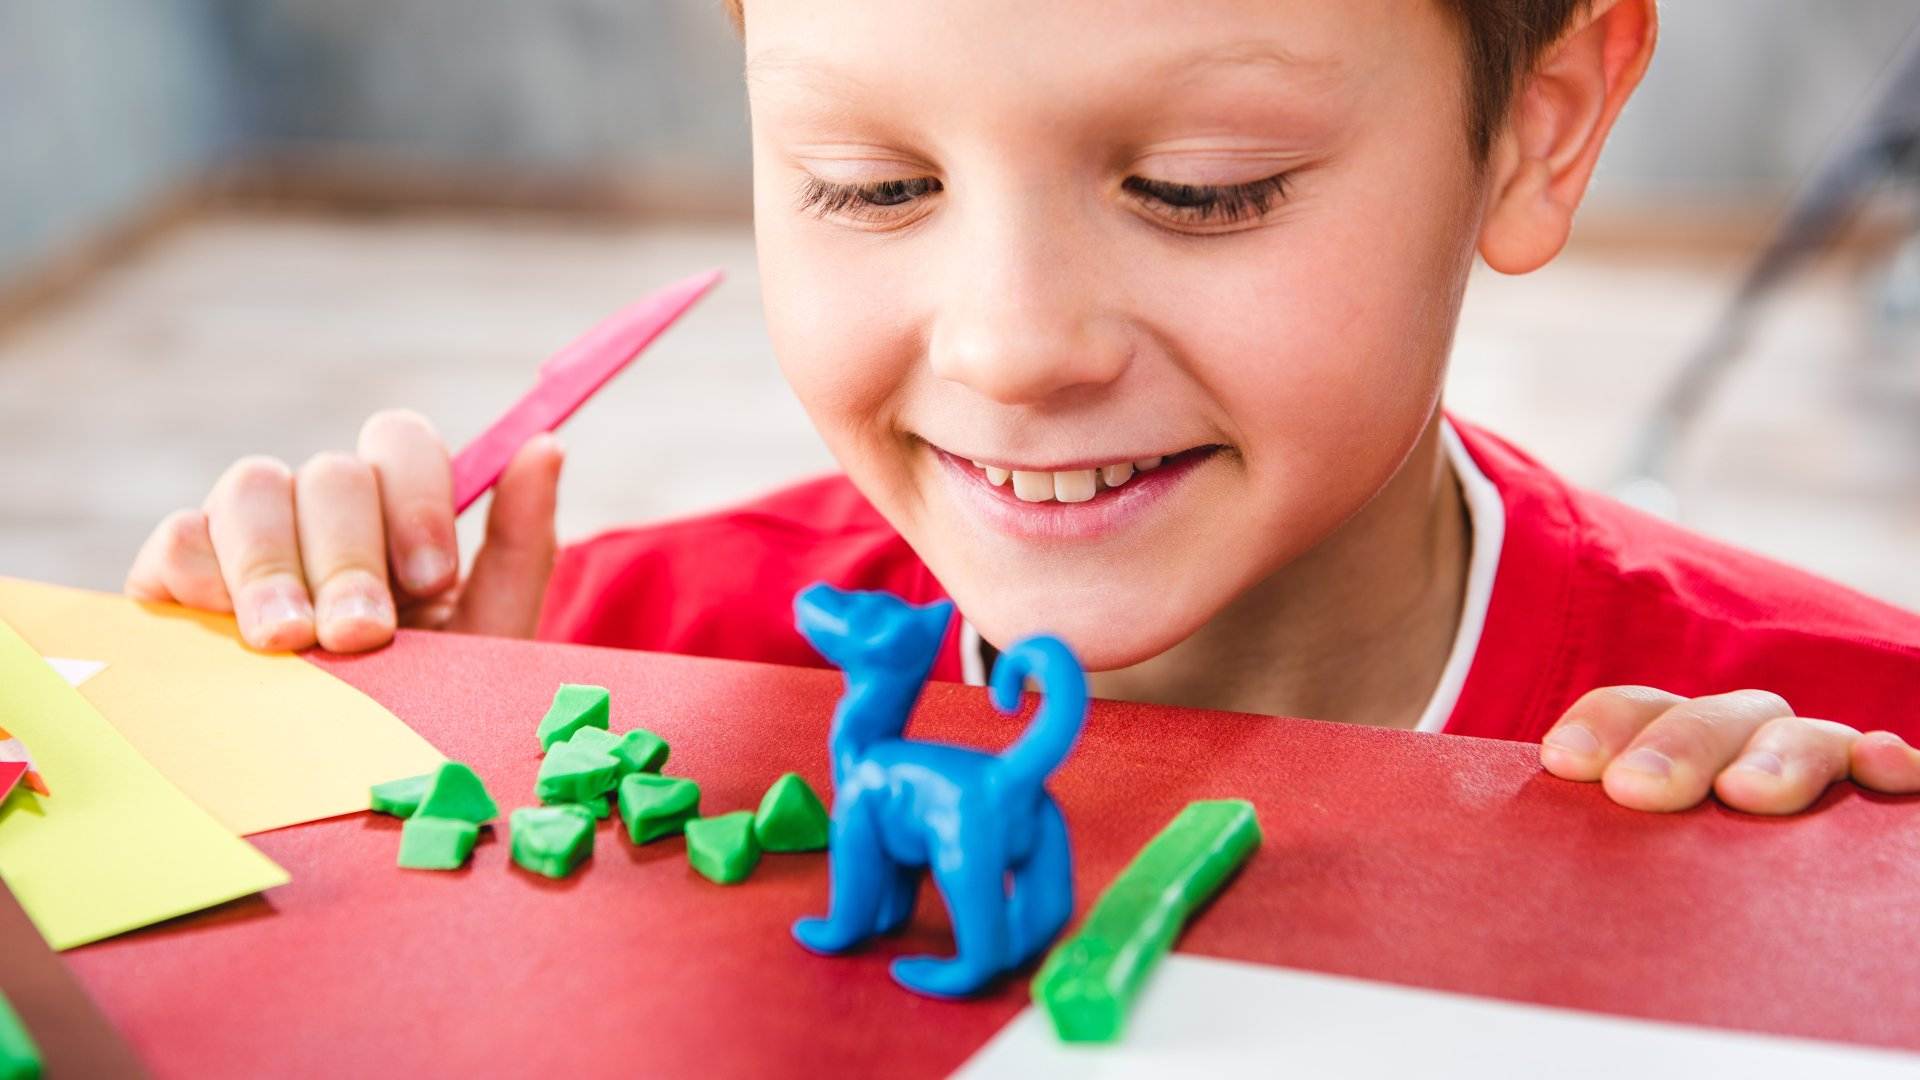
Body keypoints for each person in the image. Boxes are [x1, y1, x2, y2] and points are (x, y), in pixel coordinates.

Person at [125, 0, 1920, 818]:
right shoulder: (590, 669)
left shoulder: (1859, 765)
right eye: (866, 183)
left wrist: (1808, 964)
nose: (1010, 345)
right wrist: (326, 818)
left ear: (1542, 124)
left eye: (1206, 188)